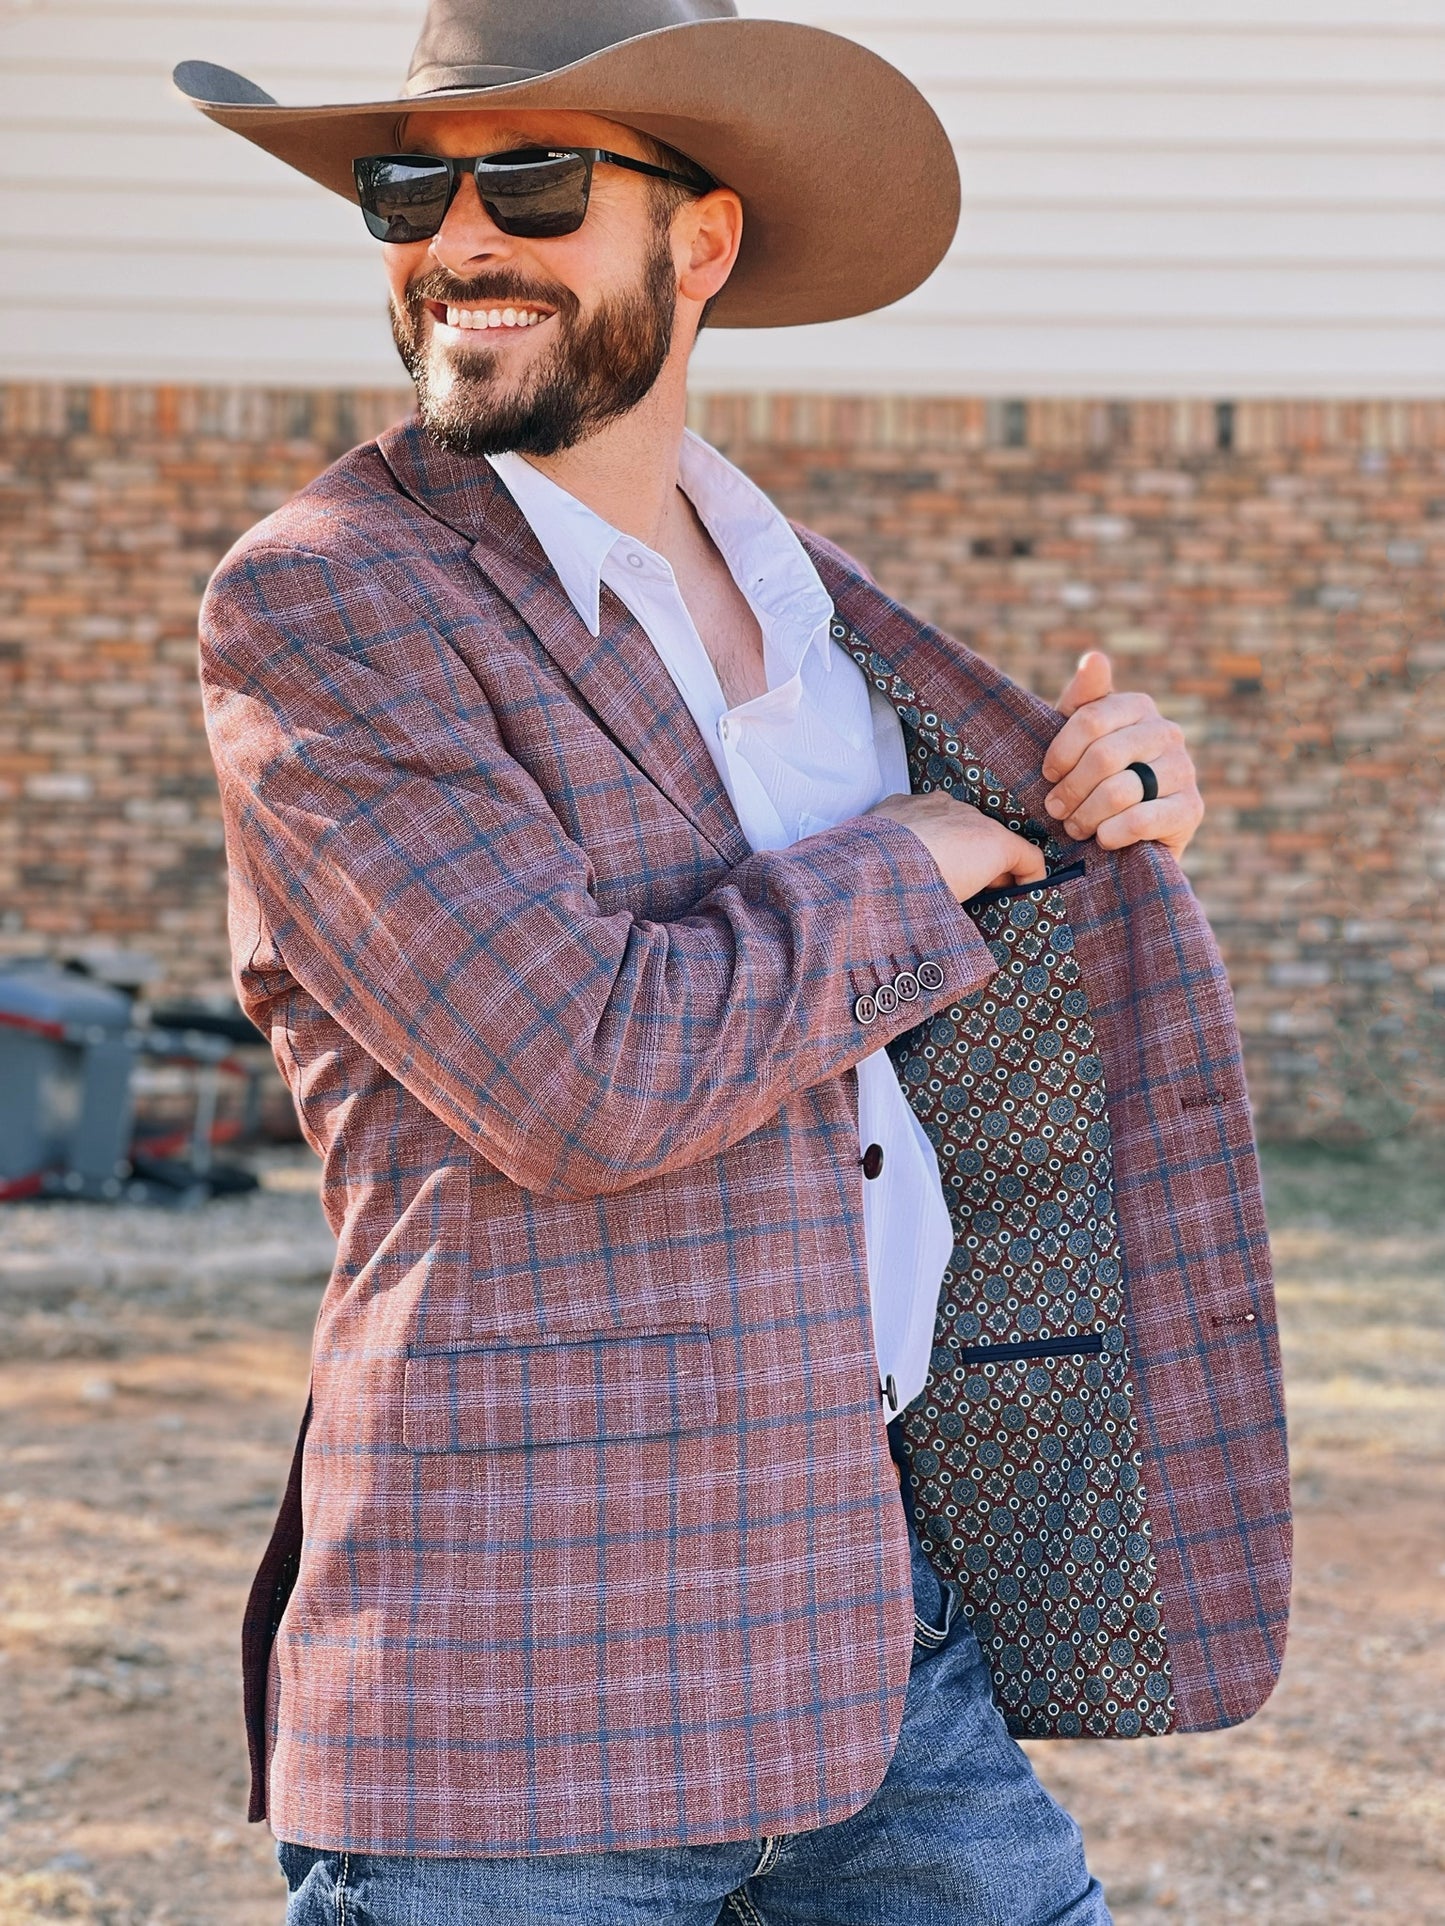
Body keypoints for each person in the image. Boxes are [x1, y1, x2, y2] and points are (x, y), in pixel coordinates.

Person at [177, 3, 1290, 1920]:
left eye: (529, 183)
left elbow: (996, 885)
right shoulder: (326, 598)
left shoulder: (807, 592)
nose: (458, 238)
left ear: (699, 246)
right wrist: (912, 860)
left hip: (870, 1625)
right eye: (406, 186)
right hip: (517, 1684)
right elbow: (586, 1072)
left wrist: (1112, 799)